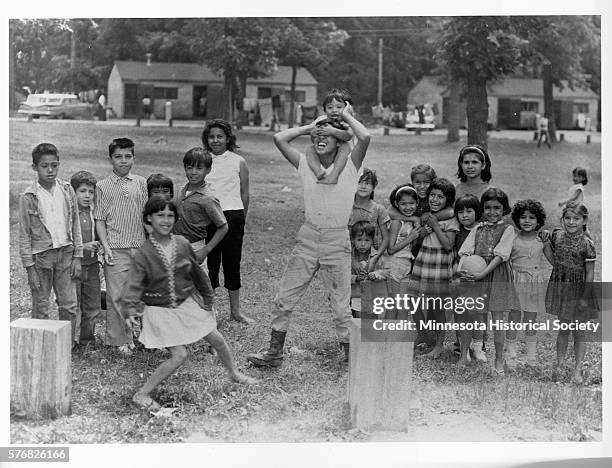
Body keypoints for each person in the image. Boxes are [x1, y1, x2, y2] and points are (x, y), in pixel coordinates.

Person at [247, 102, 370, 367]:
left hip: (336, 241)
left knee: (340, 306)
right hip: (308, 237)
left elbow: (365, 137)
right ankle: (274, 353)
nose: (320, 140)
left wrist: (344, 117)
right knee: (284, 299)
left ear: (339, 142)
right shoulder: (304, 163)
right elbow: (279, 138)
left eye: (328, 137)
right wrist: (313, 126)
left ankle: (350, 358)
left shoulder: (351, 166)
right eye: (317, 137)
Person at [120, 197, 256, 411]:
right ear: (148, 219)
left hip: (186, 304)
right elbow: (133, 284)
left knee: (217, 339)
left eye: (170, 216)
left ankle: (234, 373)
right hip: (160, 310)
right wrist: (129, 309)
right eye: (160, 215)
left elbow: (198, 273)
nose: (165, 220)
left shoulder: (182, 244)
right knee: (180, 355)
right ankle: (142, 393)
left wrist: (208, 298)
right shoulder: (144, 253)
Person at [19, 143, 83, 348]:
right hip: (41, 258)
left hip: (66, 254)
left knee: (69, 305)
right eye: (44, 166)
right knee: (41, 305)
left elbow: (75, 225)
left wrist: (78, 256)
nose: (50, 170)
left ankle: (67, 344)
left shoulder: (66, 190)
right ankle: (41, 345)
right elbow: (24, 235)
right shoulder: (28, 197)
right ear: (34, 167)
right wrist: (30, 269)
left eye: (54, 166)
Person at [94, 137, 148, 355]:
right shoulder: (102, 186)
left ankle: (142, 335)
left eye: (128, 156)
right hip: (115, 248)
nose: (123, 161)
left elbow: (147, 216)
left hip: (140, 246)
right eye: (118, 157)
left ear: (134, 158)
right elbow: (99, 219)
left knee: (140, 294)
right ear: (110, 159)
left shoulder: (141, 183)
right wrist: (105, 246)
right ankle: (119, 340)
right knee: (116, 295)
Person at [458, 188, 519, 374]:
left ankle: (499, 359)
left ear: (504, 209)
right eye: (488, 208)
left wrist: (483, 272)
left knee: (498, 320)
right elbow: (465, 251)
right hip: (475, 277)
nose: (492, 212)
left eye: (497, 208)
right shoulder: (477, 228)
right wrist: (462, 270)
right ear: (482, 209)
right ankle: (463, 355)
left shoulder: (508, 229)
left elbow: (501, 256)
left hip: (496, 274)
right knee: (470, 316)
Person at [201, 119, 252, 324]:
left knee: (232, 263)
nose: (216, 140)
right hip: (209, 218)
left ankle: (236, 311)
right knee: (210, 263)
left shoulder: (238, 161)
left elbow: (245, 192)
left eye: (220, 136)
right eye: (211, 137)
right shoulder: (203, 159)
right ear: (207, 139)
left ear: (228, 138)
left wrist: (242, 218)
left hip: (233, 216)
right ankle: (208, 311)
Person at [544, 202, 598, 385]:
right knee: (563, 328)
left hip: (580, 290)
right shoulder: (557, 236)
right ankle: (559, 365)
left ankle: (577, 369)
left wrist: (584, 297)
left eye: (576, 219)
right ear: (562, 219)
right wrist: (545, 244)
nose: (571, 222)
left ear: (584, 220)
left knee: (579, 331)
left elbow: (590, 273)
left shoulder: (587, 243)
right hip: (562, 289)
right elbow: (555, 261)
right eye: (568, 218)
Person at [411, 178, 459, 359]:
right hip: (425, 262)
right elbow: (419, 239)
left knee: (438, 306)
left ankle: (439, 345)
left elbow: (448, 245)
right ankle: (426, 336)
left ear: (448, 200)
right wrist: (422, 234)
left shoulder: (451, 220)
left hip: (439, 264)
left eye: (440, 196)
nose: (435, 199)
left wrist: (436, 226)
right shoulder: (427, 215)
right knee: (418, 301)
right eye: (432, 195)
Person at [508, 199, 550, 368]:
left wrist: (550, 240)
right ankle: (511, 355)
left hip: (533, 282)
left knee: (530, 319)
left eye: (532, 217)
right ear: (517, 219)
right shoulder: (512, 238)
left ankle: (531, 357)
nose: (527, 221)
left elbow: (553, 261)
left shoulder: (542, 239)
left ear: (538, 220)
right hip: (516, 280)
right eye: (523, 217)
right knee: (514, 318)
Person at [173, 148, 229, 268]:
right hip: (174, 246)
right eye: (189, 168)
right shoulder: (180, 189)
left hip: (194, 247)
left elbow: (223, 227)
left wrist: (205, 250)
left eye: (199, 168)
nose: (193, 172)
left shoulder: (208, 198)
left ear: (208, 170)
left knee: (196, 284)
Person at [70, 170, 102, 347]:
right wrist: (83, 247)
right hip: (73, 266)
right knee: (72, 306)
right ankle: (68, 341)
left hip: (92, 266)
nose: (87, 196)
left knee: (92, 306)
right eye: (82, 191)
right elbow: (64, 241)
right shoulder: (69, 214)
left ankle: (87, 342)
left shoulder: (94, 213)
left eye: (91, 192)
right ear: (73, 192)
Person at [451, 194, 481, 361]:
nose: (465, 215)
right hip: (459, 277)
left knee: (476, 313)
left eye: (469, 211)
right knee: (459, 312)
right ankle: (461, 344)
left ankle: (478, 344)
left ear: (477, 212)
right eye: (460, 212)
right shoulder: (457, 230)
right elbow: (454, 253)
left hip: (476, 277)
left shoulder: (482, 230)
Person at [386, 185, 423, 319]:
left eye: (411, 203)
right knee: (393, 305)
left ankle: (400, 338)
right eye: (403, 204)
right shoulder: (397, 223)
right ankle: (387, 338)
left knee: (404, 307)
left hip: (406, 267)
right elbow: (390, 249)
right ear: (397, 204)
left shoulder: (412, 224)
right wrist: (411, 238)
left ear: (417, 203)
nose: (408, 207)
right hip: (394, 267)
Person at [305, 88, 354, 184]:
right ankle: (318, 171)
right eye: (330, 107)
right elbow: (313, 136)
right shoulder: (322, 120)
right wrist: (314, 133)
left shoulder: (346, 121)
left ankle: (334, 174)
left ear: (346, 109)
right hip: (328, 151)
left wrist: (332, 131)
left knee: (345, 146)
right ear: (324, 110)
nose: (334, 110)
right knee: (309, 148)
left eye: (339, 107)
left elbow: (348, 136)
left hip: (344, 153)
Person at [347, 168, 389, 272]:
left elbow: (386, 239)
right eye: (359, 182)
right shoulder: (346, 208)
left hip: (371, 257)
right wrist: (352, 260)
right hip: (347, 256)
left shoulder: (379, 209)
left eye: (367, 183)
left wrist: (375, 259)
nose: (363, 186)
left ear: (374, 187)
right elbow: (339, 237)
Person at [350, 221, 388, 318]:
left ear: (372, 241)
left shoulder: (376, 256)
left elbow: (387, 272)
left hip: (374, 296)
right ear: (353, 240)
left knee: (373, 322)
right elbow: (343, 276)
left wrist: (376, 274)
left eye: (367, 240)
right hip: (357, 297)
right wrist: (355, 278)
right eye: (359, 240)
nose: (363, 244)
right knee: (359, 322)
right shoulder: (350, 259)